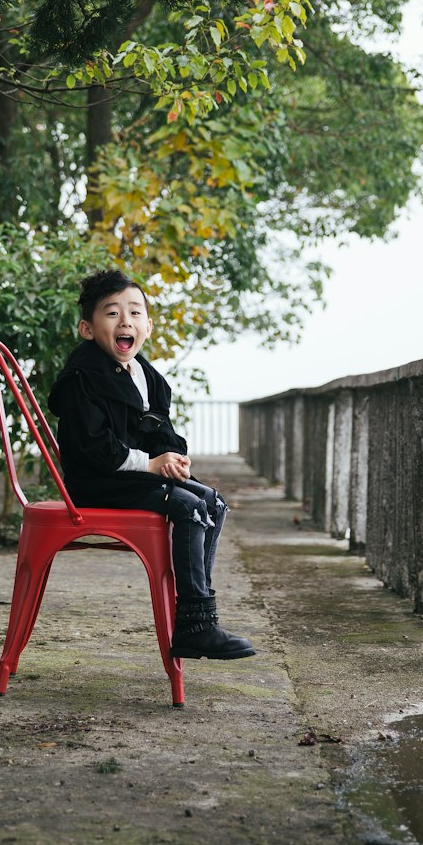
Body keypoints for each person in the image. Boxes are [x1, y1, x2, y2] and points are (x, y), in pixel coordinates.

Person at [48, 268, 256, 660]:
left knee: (211, 500)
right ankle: (195, 624)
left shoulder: (146, 377)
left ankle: (197, 616)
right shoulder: (81, 378)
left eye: (135, 312)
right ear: (88, 330)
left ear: (148, 325)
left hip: (132, 477)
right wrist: (150, 464)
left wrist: (174, 458)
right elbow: (94, 447)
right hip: (96, 481)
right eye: (111, 313)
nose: (125, 321)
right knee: (188, 506)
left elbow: (160, 433)